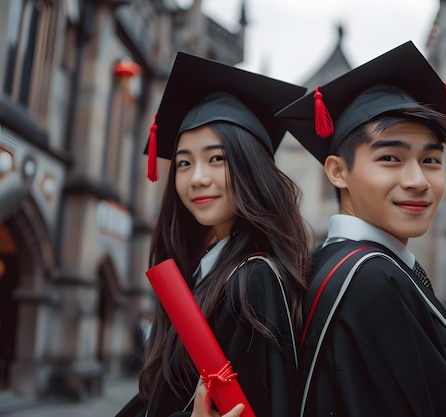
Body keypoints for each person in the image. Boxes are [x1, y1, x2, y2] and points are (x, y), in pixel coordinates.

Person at [276, 41, 446, 417]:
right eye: (390, 158)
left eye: (430, 160)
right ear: (337, 171)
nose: (417, 180)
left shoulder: (328, 261)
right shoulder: (372, 277)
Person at [116, 52, 310, 417]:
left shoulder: (253, 281)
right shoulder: (204, 270)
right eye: (184, 162)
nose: (197, 177)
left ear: (251, 168)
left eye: (216, 158)